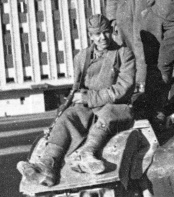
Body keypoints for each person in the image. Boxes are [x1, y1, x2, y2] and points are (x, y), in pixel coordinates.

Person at [17, 14, 135, 186]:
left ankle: (87, 153)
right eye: (97, 34)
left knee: (109, 112)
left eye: (106, 32)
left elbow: (123, 89)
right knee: (68, 116)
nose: (102, 37)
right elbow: (78, 88)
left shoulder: (123, 54)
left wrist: (89, 97)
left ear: (111, 32)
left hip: (116, 106)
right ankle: (47, 165)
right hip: (89, 107)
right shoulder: (82, 57)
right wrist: (71, 105)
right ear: (90, 36)